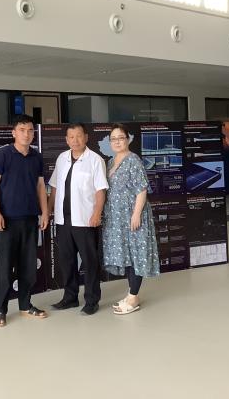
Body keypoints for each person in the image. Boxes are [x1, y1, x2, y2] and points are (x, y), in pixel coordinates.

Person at [0, 115, 49, 327]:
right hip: (7, 221)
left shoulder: (36, 157)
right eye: (22, 130)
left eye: (30, 130)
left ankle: (25, 305)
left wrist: (45, 212)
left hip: (30, 219)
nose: (27, 134)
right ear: (13, 132)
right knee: (5, 268)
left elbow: (40, 186)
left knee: (28, 266)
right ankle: (0, 310)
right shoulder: (2, 155)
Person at [48, 123, 108, 316]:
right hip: (63, 220)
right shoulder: (62, 158)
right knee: (67, 260)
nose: (75, 140)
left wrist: (97, 213)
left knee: (90, 262)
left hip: (85, 220)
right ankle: (70, 297)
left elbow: (100, 190)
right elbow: (54, 187)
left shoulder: (95, 160)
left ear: (86, 137)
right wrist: (48, 210)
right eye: (71, 137)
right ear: (67, 140)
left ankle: (92, 300)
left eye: (79, 136)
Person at [102, 123, 160, 314]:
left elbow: (142, 189)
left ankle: (134, 297)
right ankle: (130, 293)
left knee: (136, 255)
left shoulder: (133, 160)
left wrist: (136, 214)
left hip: (133, 215)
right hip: (116, 218)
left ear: (128, 139)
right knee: (126, 255)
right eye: (113, 139)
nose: (117, 142)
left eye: (121, 138)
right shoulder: (111, 162)